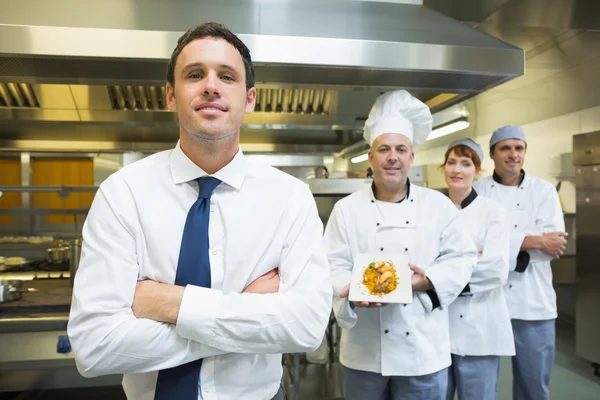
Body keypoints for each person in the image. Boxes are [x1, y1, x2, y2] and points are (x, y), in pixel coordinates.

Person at [67, 22, 332, 400]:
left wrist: (169, 304)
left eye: (227, 76)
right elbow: (93, 348)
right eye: (195, 75)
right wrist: (249, 311)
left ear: (250, 99)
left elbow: (306, 327)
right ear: (171, 96)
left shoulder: (291, 198)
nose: (211, 85)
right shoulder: (122, 193)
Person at [324, 90, 477, 400]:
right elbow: (332, 266)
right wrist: (352, 293)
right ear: (371, 157)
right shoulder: (346, 209)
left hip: (422, 350)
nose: (392, 157)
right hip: (363, 353)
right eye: (383, 149)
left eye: (400, 149)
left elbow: (462, 257)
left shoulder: (438, 206)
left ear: (411, 157)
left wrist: (425, 281)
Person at [473, 126, 567, 400]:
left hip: (533, 304)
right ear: (492, 154)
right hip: (487, 302)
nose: (513, 154)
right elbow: (474, 244)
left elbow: (555, 246)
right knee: (479, 385)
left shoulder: (544, 191)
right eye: (505, 148)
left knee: (534, 386)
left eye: (519, 148)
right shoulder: (478, 190)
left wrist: (500, 245)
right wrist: (534, 241)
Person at [442, 139, 515, 400]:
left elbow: (495, 269)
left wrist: (442, 276)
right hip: (438, 328)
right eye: (451, 162)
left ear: (477, 170)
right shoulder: (433, 210)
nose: (457, 170)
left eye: (466, 163)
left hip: (480, 329)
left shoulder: (493, 212)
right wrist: (473, 258)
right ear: (444, 168)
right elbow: (422, 261)